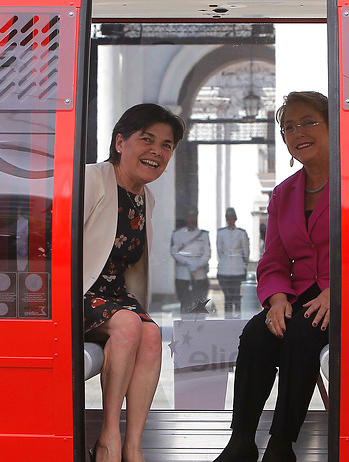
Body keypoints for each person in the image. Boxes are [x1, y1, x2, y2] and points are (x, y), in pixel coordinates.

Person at [213, 91, 330, 462]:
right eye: (288, 127)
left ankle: (282, 443)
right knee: (257, 333)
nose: (298, 132)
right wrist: (277, 298)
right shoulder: (283, 193)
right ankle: (241, 441)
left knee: (301, 335)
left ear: (334, 126)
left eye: (308, 122)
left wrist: (339, 291)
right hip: (297, 294)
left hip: (347, 294)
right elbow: (274, 259)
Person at [83, 103, 185, 462]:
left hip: (112, 297)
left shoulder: (146, 198)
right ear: (120, 142)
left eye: (167, 145)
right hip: (74, 294)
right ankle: (109, 437)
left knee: (152, 332)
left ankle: (133, 445)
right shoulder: (91, 180)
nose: (157, 151)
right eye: (147, 139)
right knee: (128, 324)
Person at [170, 206, 211, 313]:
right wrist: (188, 262)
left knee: (199, 304)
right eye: (189, 217)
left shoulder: (204, 235)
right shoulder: (177, 234)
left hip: (199, 274)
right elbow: (174, 252)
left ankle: (199, 327)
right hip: (183, 274)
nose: (191, 220)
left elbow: (207, 254)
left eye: (193, 217)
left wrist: (197, 265)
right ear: (185, 219)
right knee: (185, 304)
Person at [217, 207, 250, 318]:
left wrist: (243, 263)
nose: (230, 220)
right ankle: (228, 318)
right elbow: (220, 250)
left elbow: (245, 251)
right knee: (228, 297)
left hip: (238, 269)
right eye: (228, 218)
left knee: (237, 297)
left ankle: (237, 317)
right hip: (225, 269)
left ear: (235, 219)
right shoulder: (221, 233)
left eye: (232, 218)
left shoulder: (241, 233)